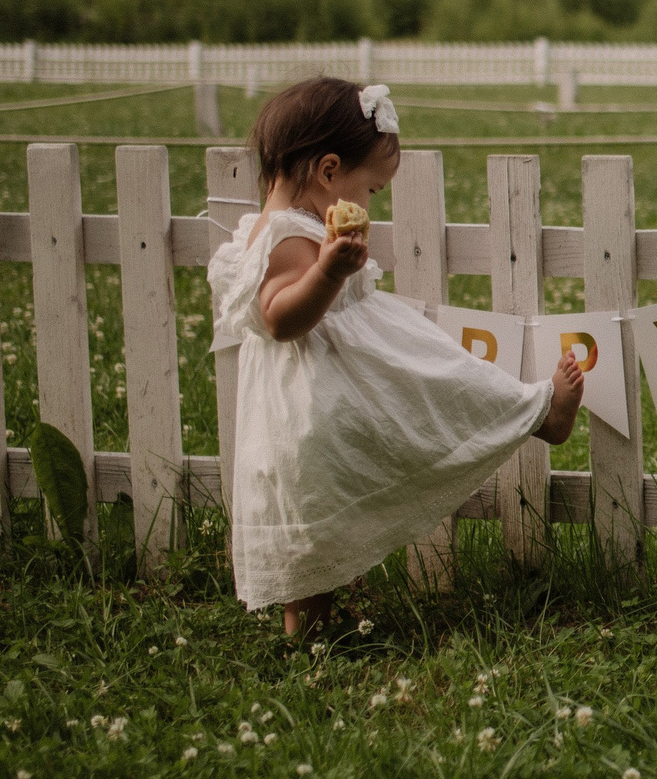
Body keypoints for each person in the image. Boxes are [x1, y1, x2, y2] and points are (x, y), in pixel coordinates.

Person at [208, 77, 584, 636]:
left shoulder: (300, 222)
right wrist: (327, 272)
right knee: (435, 391)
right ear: (328, 171)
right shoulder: (285, 235)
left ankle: (534, 411)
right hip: (318, 398)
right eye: (372, 190)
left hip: (345, 376)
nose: (369, 205)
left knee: (447, 376)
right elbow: (279, 318)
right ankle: (537, 411)